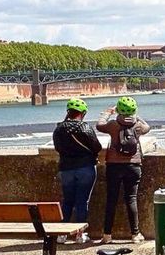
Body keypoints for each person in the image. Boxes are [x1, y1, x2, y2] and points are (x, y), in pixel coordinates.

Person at [97, 96, 150, 244]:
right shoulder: (138, 126)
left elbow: (99, 125)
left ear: (119, 110)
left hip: (113, 166)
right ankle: (135, 234)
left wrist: (108, 112)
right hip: (133, 165)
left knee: (111, 200)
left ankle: (107, 235)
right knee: (131, 199)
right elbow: (148, 127)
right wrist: (136, 116)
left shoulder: (113, 125)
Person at [52, 98, 101, 244]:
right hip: (85, 167)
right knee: (82, 201)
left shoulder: (59, 129)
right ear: (83, 113)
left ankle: (62, 234)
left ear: (68, 112)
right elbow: (96, 147)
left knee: (67, 201)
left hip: (66, 168)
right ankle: (80, 234)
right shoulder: (85, 128)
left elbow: (57, 147)